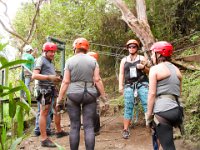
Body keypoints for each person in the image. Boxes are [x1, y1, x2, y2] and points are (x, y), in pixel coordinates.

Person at [56, 38, 107, 150]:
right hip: (90, 94)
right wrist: (104, 97)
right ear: (86, 48)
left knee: (74, 126)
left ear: (75, 48)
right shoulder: (93, 61)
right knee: (89, 126)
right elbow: (97, 80)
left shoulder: (70, 61)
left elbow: (65, 81)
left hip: (73, 94)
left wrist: (59, 98)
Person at [147, 41, 183, 150]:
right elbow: (179, 93)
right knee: (168, 142)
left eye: (153, 53)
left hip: (163, 112)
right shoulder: (177, 71)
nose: (152, 56)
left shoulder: (155, 69)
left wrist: (149, 116)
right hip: (177, 111)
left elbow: (152, 94)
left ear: (159, 54)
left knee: (168, 147)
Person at [32, 42, 69, 147]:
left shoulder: (50, 62)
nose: (53, 54)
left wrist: (56, 78)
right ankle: (44, 139)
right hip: (44, 90)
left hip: (52, 89)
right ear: (45, 51)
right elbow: (34, 75)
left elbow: (49, 74)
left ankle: (59, 131)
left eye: (54, 52)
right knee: (44, 112)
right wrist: (49, 77)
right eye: (50, 52)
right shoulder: (40, 60)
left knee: (57, 109)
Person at [118, 39, 149, 139]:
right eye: (130, 47)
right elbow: (121, 73)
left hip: (142, 83)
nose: (131, 48)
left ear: (137, 48)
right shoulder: (124, 60)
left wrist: (143, 68)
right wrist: (120, 86)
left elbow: (150, 71)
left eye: (134, 47)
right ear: (127, 48)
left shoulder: (142, 58)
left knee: (147, 104)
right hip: (128, 84)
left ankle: (152, 127)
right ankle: (126, 129)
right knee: (128, 106)